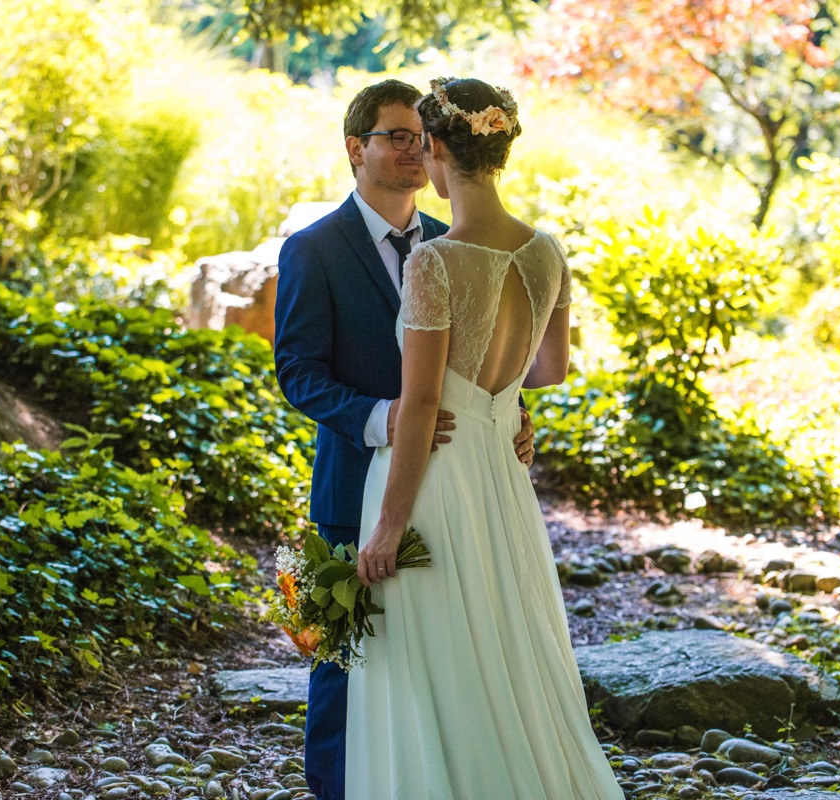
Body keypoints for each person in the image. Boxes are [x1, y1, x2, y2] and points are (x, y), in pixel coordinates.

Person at [346, 78, 624, 800]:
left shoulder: (435, 262)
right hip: (500, 475)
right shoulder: (547, 252)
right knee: (506, 641)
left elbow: (421, 405)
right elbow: (551, 370)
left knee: (434, 664)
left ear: (436, 150)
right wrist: (503, 407)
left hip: (437, 485)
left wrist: (388, 527)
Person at [273, 79, 538, 800]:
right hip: (352, 480)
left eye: (421, 138)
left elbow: (487, 360)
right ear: (356, 149)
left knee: (441, 648)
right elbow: (297, 372)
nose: (415, 151)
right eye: (395, 137)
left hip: (452, 490)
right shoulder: (312, 249)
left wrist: (509, 412)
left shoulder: (453, 246)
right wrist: (380, 414)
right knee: (343, 655)